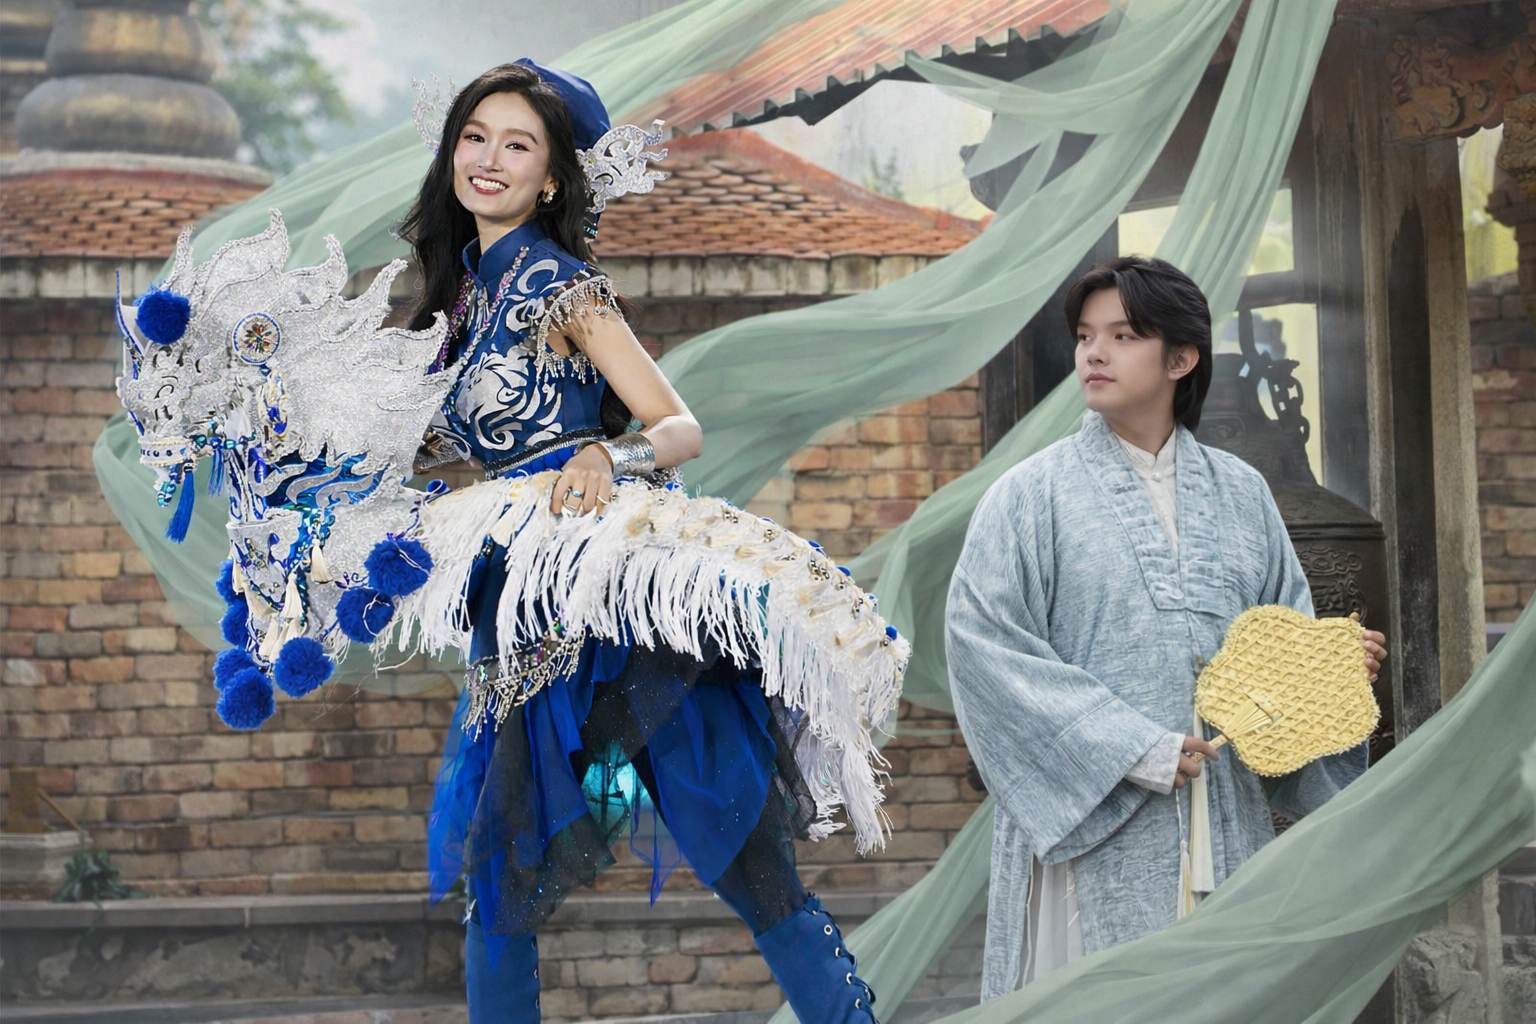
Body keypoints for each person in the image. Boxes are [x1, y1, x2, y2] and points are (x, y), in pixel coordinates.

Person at [398, 62, 885, 1023]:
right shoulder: (458, 302)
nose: (488, 158)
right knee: (499, 879)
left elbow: (678, 428)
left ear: (551, 180)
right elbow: (433, 448)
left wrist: (604, 454)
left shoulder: (559, 285)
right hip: (520, 606)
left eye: (517, 144)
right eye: (474, 137)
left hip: (613, 608)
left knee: (741, 859)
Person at [944, 255, 1388, 1000]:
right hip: (1092, 832)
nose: (1094, 353)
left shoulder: (1244, 495)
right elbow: (984, 650)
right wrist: (1135, 749)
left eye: (1122, 336)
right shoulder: (1027, 496)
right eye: (1086, 336)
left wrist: (1328, 675)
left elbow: (1279, 651)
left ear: (1181, 359)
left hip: (1226, 818)